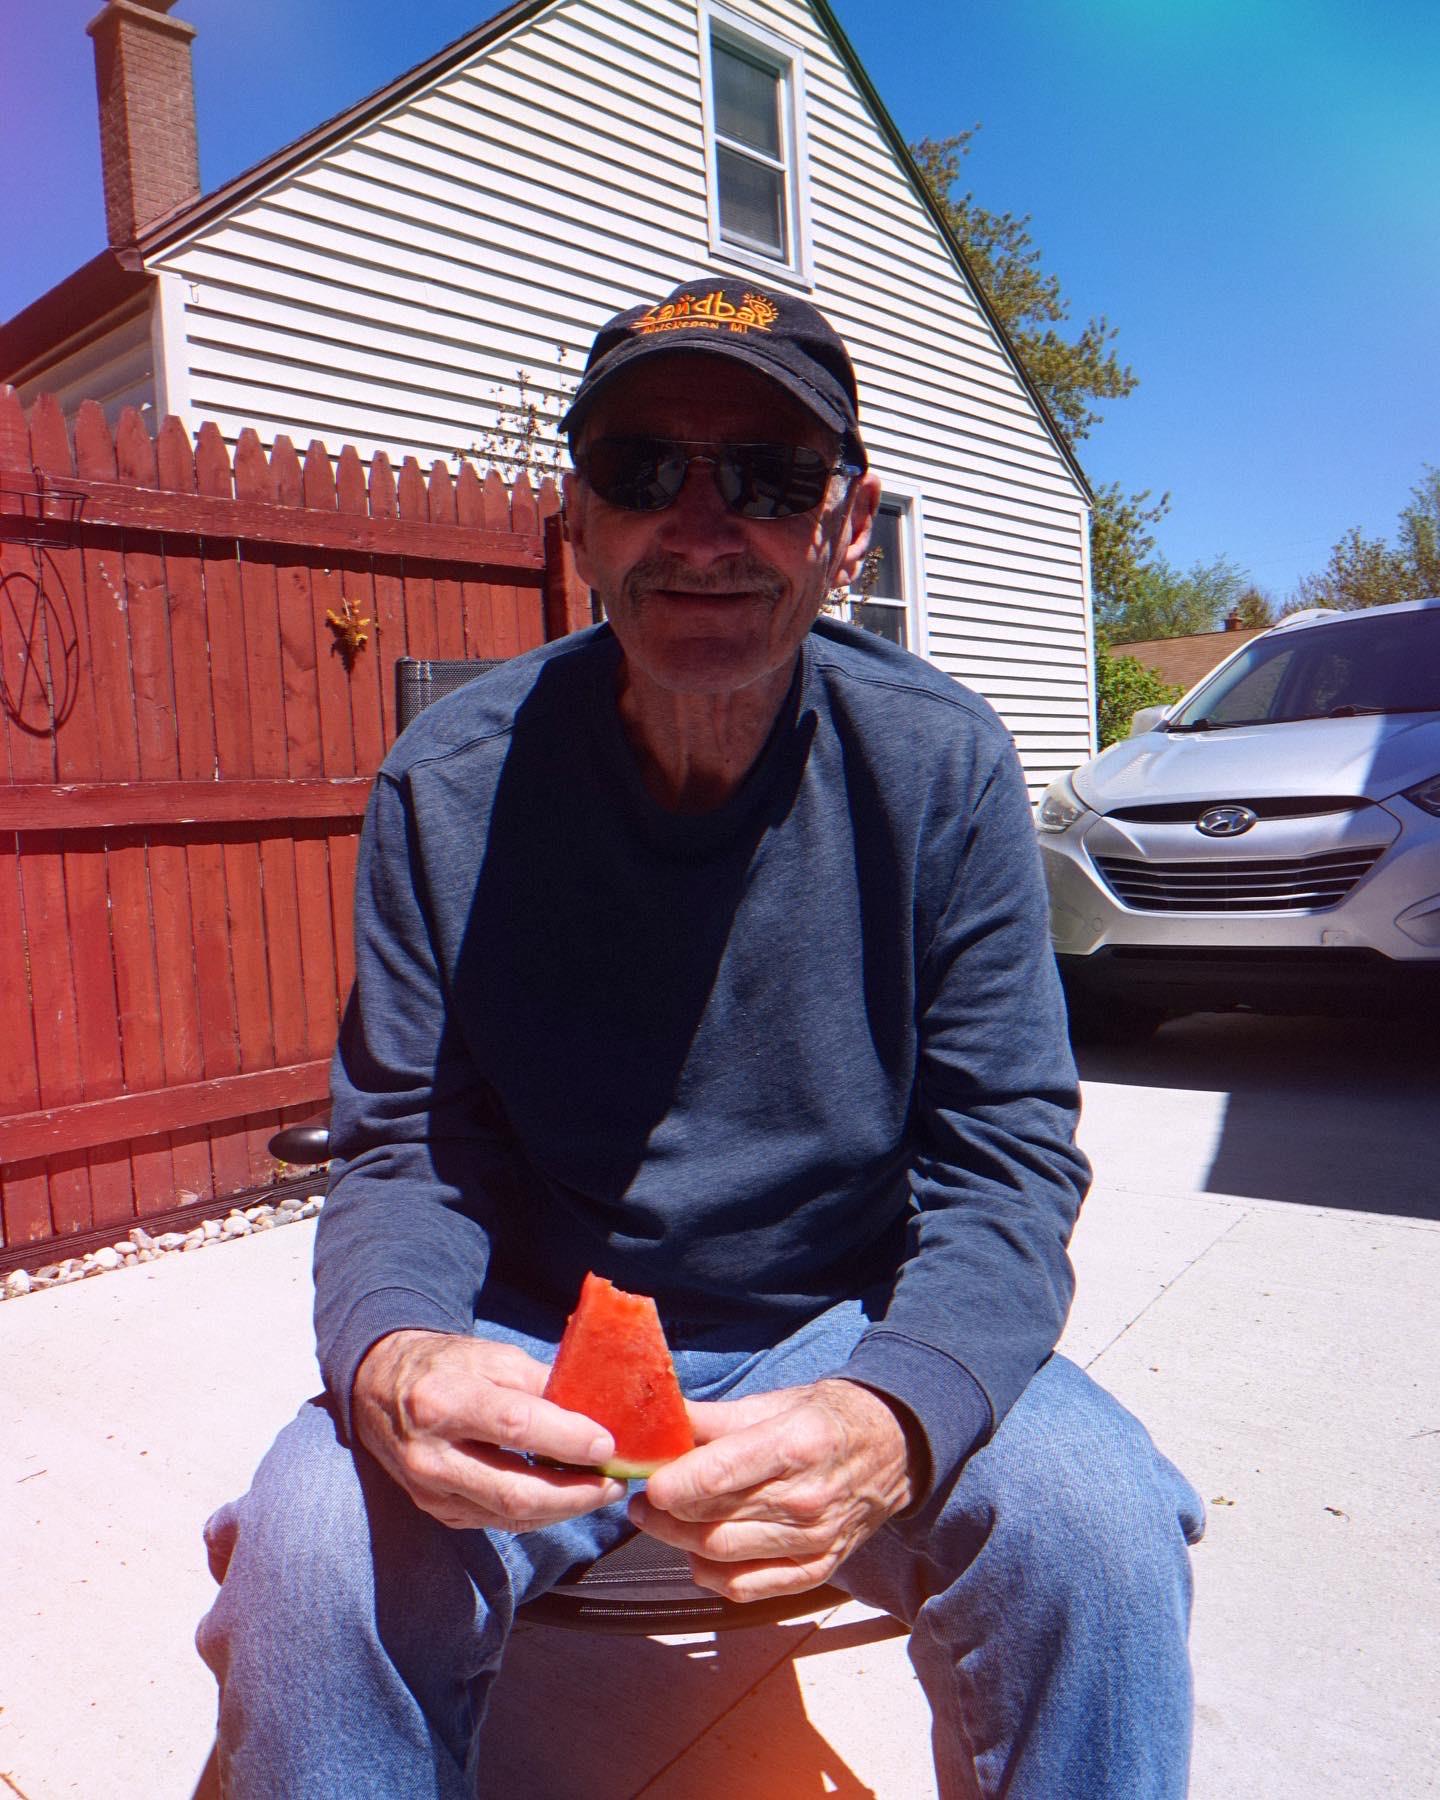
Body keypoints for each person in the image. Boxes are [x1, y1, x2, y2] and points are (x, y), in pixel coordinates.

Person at [197, 277, 1203, 1797]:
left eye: (771, 478)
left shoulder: (942, 765)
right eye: (643, 470)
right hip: (539, 1329)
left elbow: (1004, 1162)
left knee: (1096, 1521)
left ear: (848, 525)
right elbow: (407, 1140)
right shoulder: (445, 784)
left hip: (844, 1318)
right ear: (578, 521)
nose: (703, 520)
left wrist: (894, 1406)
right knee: (311, 1543)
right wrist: (397, 1349)